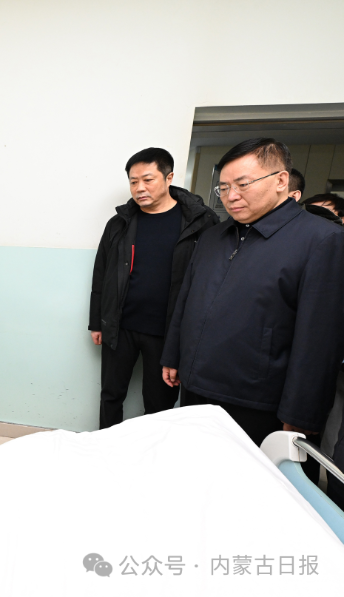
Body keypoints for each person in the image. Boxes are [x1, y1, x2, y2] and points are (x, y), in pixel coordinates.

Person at [162, 138, 344, 447]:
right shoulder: (213, 236)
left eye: (243, 185)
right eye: (223, 187)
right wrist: (173, 354)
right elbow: (187, 300)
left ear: (281, 181)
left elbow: (320, 339)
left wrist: (302, 411)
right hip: (196, 385)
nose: (231, 196)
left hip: (257, 400)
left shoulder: (322, 240)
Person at [89, 147, 218, 429]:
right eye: (133, 181)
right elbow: (102, 273)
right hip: (120, 325)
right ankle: (106, 445)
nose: (139, 188)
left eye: (148, 180)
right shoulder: (120, 223)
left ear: (169, 177)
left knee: (159, 402)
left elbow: (210, 279)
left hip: (167, 331)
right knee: (111, 395)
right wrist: (97, 321)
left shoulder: (200, 222)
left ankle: (153, 450)